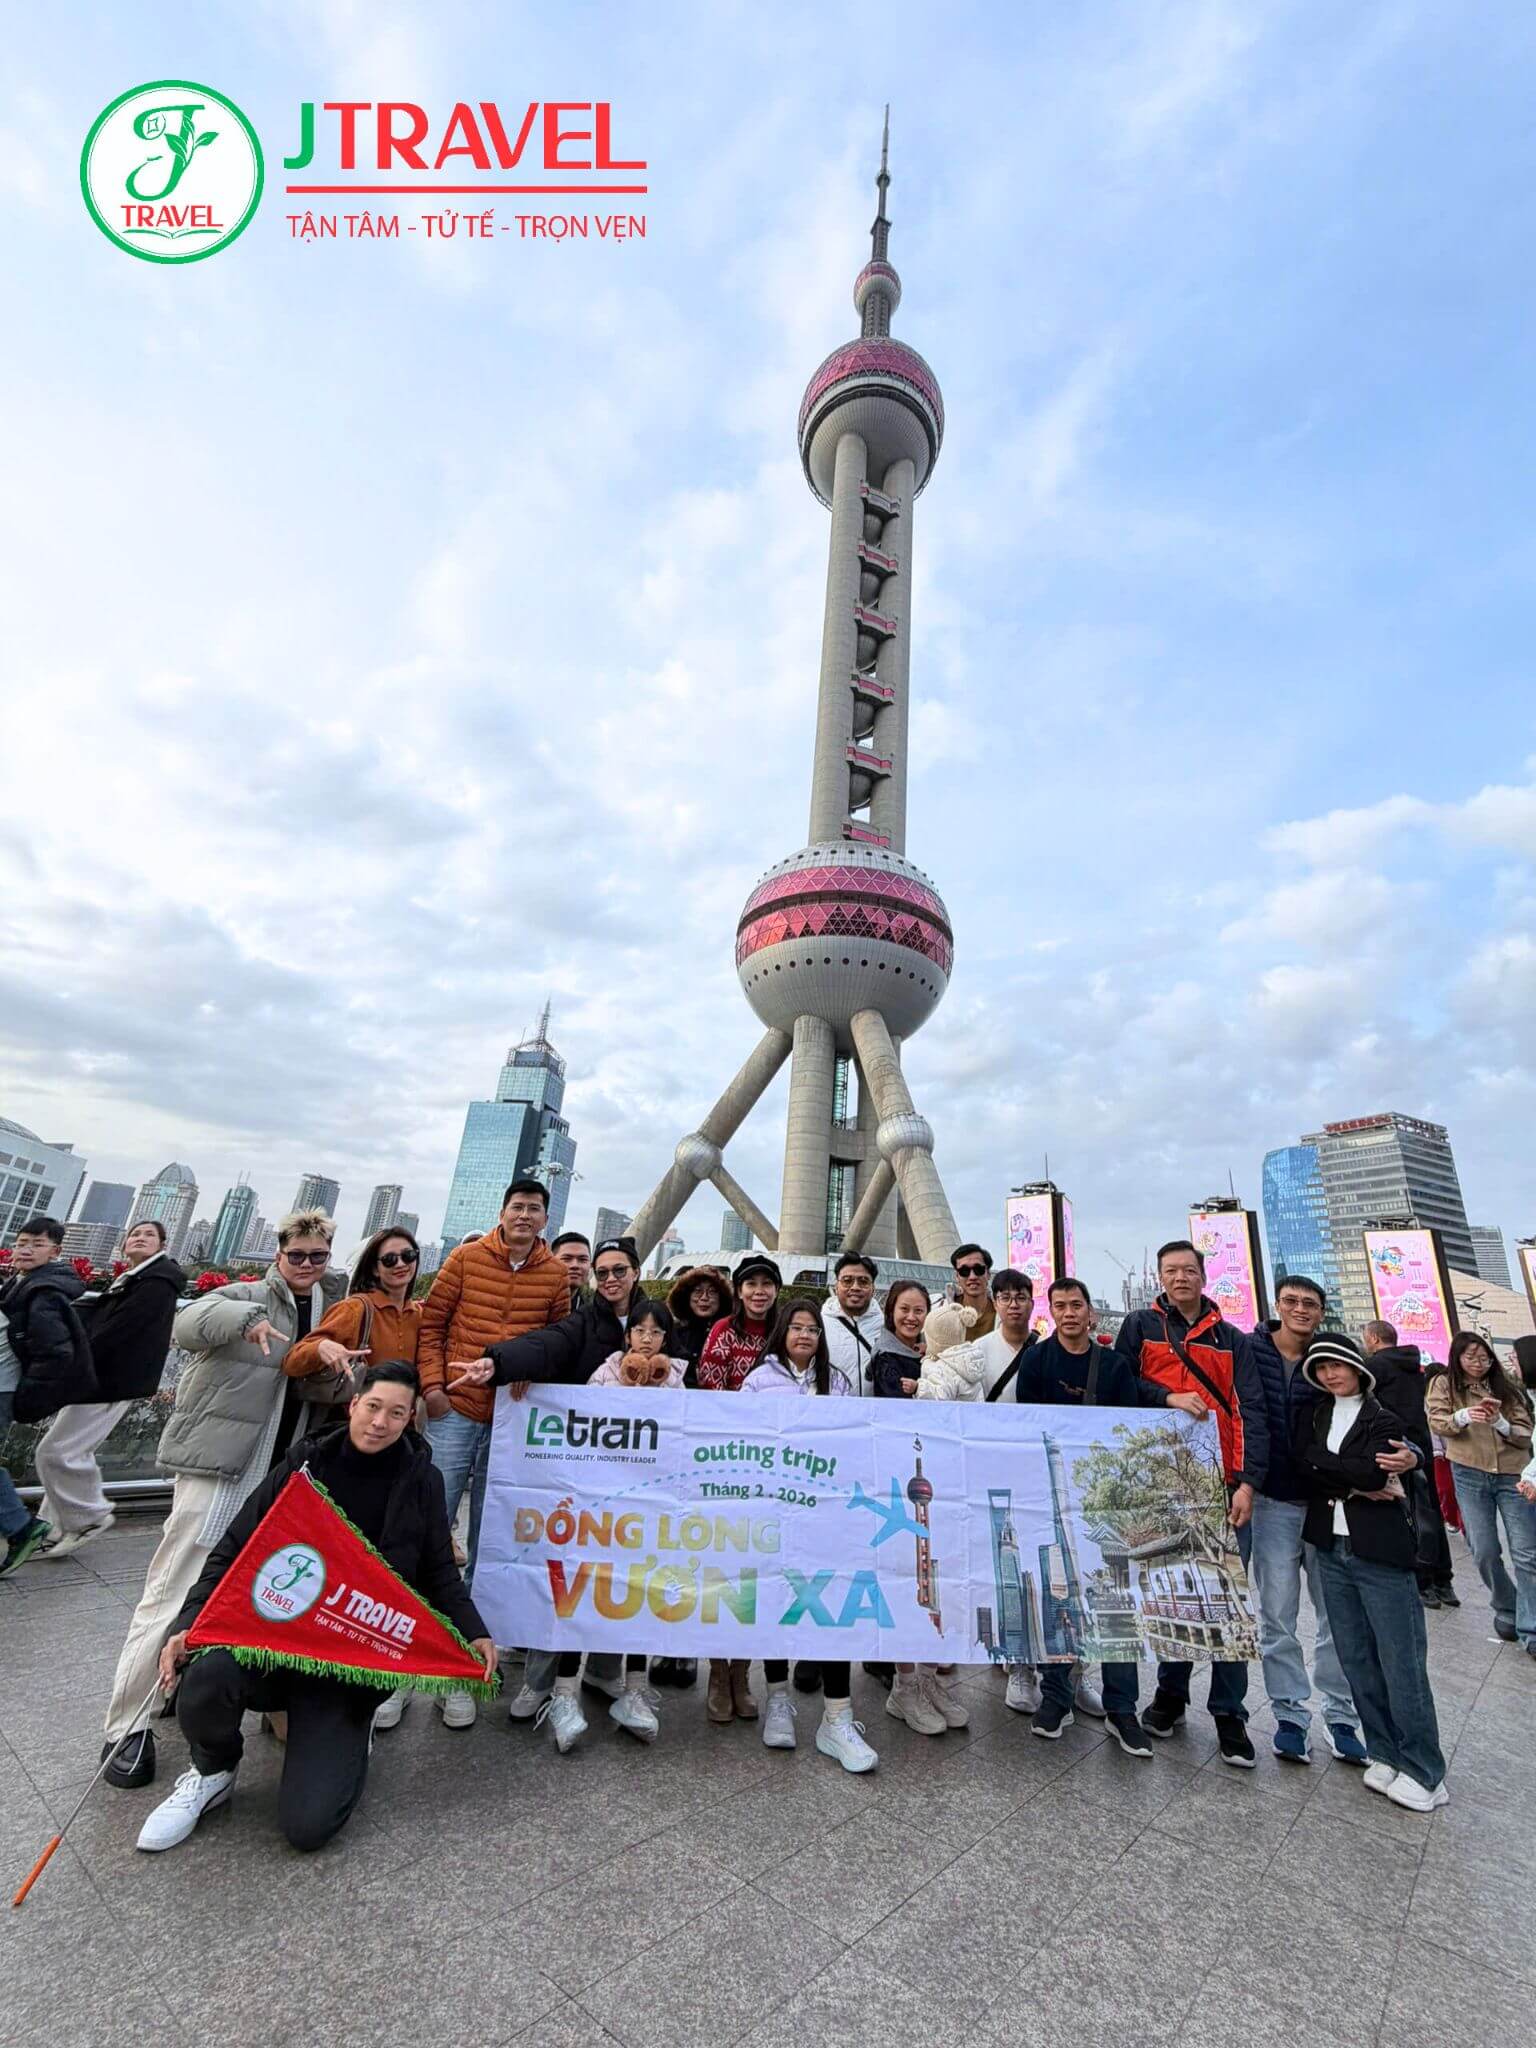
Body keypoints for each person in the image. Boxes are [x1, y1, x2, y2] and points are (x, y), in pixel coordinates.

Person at [135, 1360, 496, 1855]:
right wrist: (189, 1622)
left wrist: (473, 1631)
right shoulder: (306, 1463)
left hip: (348, 1660)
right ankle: (213, 1769)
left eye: (396, 1413)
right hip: (276, 1639)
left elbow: (438, 1571)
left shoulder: (422, 1480)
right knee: (207, 1676)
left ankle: (346, 1732)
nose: (380, 1422)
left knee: (308, 1828)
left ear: (410, 1418)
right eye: (372, 1407)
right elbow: (235, 1549)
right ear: (353, 1405)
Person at [99, 1208, 347, 1789]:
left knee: (251, 1593)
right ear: (278, 1254)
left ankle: (207, 1690)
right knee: (173, 1589)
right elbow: (187, 1324)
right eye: (296, 1255)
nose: (307, 1265)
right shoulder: (246, 1294)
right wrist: (248, 1320)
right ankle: (126, 1725)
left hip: (280, 1479)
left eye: (317, 1256)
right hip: (220, 1468)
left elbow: (312, 1388)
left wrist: (338, 1373)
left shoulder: (330, 1312)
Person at [460, 1234, 645, 1720]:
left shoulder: (655, 1321)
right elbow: (548, 1343)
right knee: (563, 1566)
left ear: (636, 1273)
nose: (609, 1279)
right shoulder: (584, 1321)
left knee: (618, 1570)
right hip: (581, 1465)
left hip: (634, 1471)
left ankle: (604, 1670)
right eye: (602, 1273)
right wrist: (500, 1361)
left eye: (618, 1270)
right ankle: (540, 1681)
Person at [416, 1178, 570, 1728]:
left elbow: (558, 1340)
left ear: (545, 1219)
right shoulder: (464, 1259)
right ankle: (409, 1665)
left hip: (512, 1421)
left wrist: (533, 1367)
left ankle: (464, 1667)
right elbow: (432, 1326)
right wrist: (433, 1388)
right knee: (430, 1530)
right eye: (517, 1207)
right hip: (455, 1411)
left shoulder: (555, 1275)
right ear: (502, 1212)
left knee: (491, 1538)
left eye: (535, 1209)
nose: (525, 1215)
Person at [1113, 1237, 1269, 1766]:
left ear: (1203, 1276)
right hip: (1161, 1482)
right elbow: (1121, 1386)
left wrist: (1246, 1483)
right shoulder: (1140, 1327)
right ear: (1159, 1277)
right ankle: (1170, 1696)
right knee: (1174, 1594)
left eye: (1188, 1269)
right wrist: (1166, 1396)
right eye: (1170, 1270)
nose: (1180, 1278)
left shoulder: (1231, 1340)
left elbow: (1249, 1411)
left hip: (1220, 1486)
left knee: (1227, 1599)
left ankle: (1229, 1713)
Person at [1012, 1277, 1167, 1754]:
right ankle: (1056, 1697)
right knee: (1057, 1597)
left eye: (1076, 1305)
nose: (1069, 1313)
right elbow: (1028, 1426)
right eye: (1059, 1306)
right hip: (1052, 1497)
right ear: (1051, 1312)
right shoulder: (1036, 1361)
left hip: (1105, 1499)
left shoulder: (1114, 1366)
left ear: (1091, 1312)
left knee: (1114, 1598)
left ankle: (1122, 1708)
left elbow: (1127, 1431)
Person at [1298, 1333, 1448, 1812]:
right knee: (1356, 1657)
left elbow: (1371, 1473)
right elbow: (1306, 1465)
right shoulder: (1317, 1414)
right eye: (1321, 1368)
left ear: (1357, 1368)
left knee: (1401, 1661)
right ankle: (1384, 1751)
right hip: (1331, 1548)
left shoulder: (1382, 1416)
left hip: (1380, 1550)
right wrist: (1349, 1478)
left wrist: (1336, 1472)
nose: (1330, 1374)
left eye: (1337, 1365)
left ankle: (1424, 1769)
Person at [286, 1224, 424, 1730]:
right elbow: (295, 1359)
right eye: (389, 1259)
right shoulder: (356, 1308)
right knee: (336, 1554)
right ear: (373, 1266)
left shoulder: (419, 1313)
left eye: (408, 1256)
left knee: (384, 1555)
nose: (400, 1265)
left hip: (399, 1450)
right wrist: (325, 1348)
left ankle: (370, 1664)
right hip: (351, 1448)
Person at [535, 1302, 688, 1750]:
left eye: (655, 1332)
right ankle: (564, 1695)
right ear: (627, 1336)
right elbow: (582, 1427)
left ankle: (635, 1692)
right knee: (583, 1588)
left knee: (641, 1589)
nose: (646, 1339)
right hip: (601, 1507)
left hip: (650, 1507)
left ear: (666, 1340)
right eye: (639, 1330)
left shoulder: (676, 1380)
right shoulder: (604, 1374)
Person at [740, 1301, 876, 1773]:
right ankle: (778, 1700)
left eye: (813, 1329)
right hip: (774, 1511)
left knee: (830, 1603)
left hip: (825, 1515)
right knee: (778, 1599)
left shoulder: (836, 1382)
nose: (804, 1335)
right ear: (782, 1332)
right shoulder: (758, 1380)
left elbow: (851, 1442)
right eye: (796, 1327)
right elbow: (744, 1441)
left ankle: (837, 1718)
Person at [1243, 1277, 1371, 1766]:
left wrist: (1410, 1454)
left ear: (1321, 1311)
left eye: (1310, 1304)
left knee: (1336, 1615)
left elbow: (1369, 1410)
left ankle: (1340, 1717)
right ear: (1277, 1305)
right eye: (1291, 1301)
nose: (1300, 1309)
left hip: (1326, 1504)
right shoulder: (1250, 1349)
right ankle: (1290, 1716)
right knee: (1277, 1615)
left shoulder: (1329, 1357)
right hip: (1271, 1500)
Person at [36, 1219, 186, 1560]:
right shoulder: (136, 1277)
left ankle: (89, 1516)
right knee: (72, 1451)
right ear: (124, 1244)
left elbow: (120, 1329)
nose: (140, 1238)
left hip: (110, 1380)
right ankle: (52, 1526)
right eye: (135, 1233)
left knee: (55, 1452)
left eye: (149, 1235)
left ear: (162, 1246)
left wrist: (75, 1356)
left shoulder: (157, 1282)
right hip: (104, 1378)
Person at [1426, 1333, 1536, 1650]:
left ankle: (1531, 1627)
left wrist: (1500, 1423)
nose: (1478, 1363)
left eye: (1484, 1357)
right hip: (1469, 1471)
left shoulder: (1507, 1386)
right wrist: (1463, 1416)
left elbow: (1526, 1434)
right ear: (1457, 1357)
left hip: (1513, 1473)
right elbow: (1437, 1422)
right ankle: (1507, 1606)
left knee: (1527, 1552)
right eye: (1471, 1357)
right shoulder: (1443, 1384)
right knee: (1484, 1549)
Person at [0, 1215, 84, 1576]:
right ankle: (20, 1526)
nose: (26, 1249)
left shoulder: (44, 1292)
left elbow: (56, 1354)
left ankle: (21, 1527)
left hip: (3, 1388)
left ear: (55, 1251)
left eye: (37, 1244)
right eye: (21, 1242)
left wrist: (28, 1398)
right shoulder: (22, 1282)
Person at [1362, 1318, 1458, 1609]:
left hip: (1394, 1447)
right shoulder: (1414, 1364)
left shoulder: (1375, 1367)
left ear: (1374, 1339)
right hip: (1422, 1446)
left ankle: (1423, 1580)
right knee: (1430, 1511)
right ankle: (1444, 1579)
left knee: (1409, 1514)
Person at [696, 1254, 782, 1391]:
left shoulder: (784, 1332)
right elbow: (711, 1389)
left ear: (776, 1291)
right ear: (740, 1291)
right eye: (751, 1284)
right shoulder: (724, 1331)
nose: (759, 1291)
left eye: (766, 1283)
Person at [822, 1252, 884, 1395]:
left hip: (876, 1408)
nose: (855, 1287)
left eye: (863, 1281)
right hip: (833, 1407)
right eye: (847, 1281)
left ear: (873, 1288)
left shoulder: (887, 1326)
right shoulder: (820, 1325)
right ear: (836, 1286)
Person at [665, 1266, 733, 1384]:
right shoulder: (674, 1332)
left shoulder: (730, 1333)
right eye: (697, 1291)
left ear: (721, 1298)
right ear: (687, 1296)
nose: (704, 1298)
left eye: (712, 1292)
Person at [976, 1269, 1038, 1398]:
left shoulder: (1047, 1348)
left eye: (1021, 1298)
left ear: (1032, 1304)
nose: (1013, 1305)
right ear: (995, 1304)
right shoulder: (979, 1350)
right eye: (1005, 1298)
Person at [869, 1280, 929, 1399]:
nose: (911, 1317)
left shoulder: (932, 1351)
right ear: (891, 1311)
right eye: (904, 1309)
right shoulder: (886, 1359)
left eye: (918, 1311)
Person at [949, 1243, 997, 1337]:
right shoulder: (944, 1312)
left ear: (988, 1274)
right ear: (957, 1277)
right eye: (964, 1271)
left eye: (978, 1269)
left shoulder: (1003, 1313)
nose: (972, 1277)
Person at [550, 1231, 592, 1299]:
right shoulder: (533, 1298)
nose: (575, 1265)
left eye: (582, 1259)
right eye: (566, 1259)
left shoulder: (593, 1303)